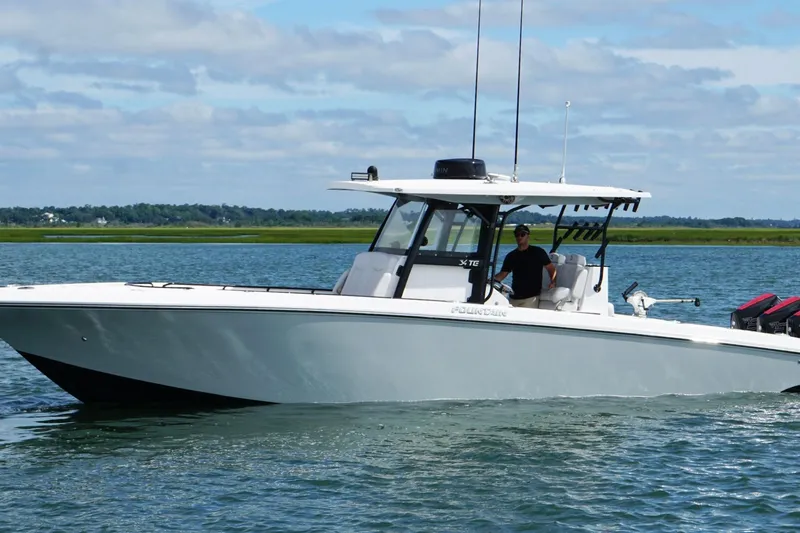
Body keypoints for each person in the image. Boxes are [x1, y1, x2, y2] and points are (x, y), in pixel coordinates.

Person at [493, 224, 556, 308]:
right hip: (514, 297)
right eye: (517, 235)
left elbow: (551, 269)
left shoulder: (538, 252)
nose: (519, 237)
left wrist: (553, 281)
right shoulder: (511, 256)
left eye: (522, 234)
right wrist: (489, 281)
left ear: (528, 236)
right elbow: (503, 274)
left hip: (531, 297)